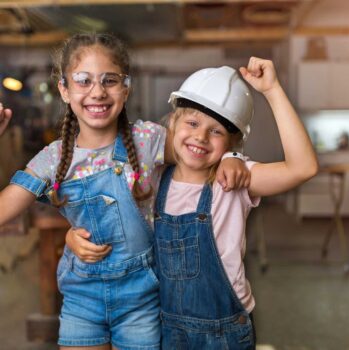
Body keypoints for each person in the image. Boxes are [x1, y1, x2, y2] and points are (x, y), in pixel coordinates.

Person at [0, 33, 249, 350]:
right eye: (83, 80)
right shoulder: (52, 159)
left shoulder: (148, 140)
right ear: (64, 89)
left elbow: (200, 145)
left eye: (110, 80)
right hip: (82, 301)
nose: (98, 92)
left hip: (141, 302)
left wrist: (232, 156)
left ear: (126, 88)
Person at [67, 57, 318, 349]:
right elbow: (109, 218)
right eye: (193, 122)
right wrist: (73, 237)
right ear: (173, 122)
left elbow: (303, 168)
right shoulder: (152, 178)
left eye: (216, 131)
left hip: (224, 334)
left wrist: (272, 89)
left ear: (232, 143)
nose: (200, 136)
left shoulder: (234, 181)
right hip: (163, 327)